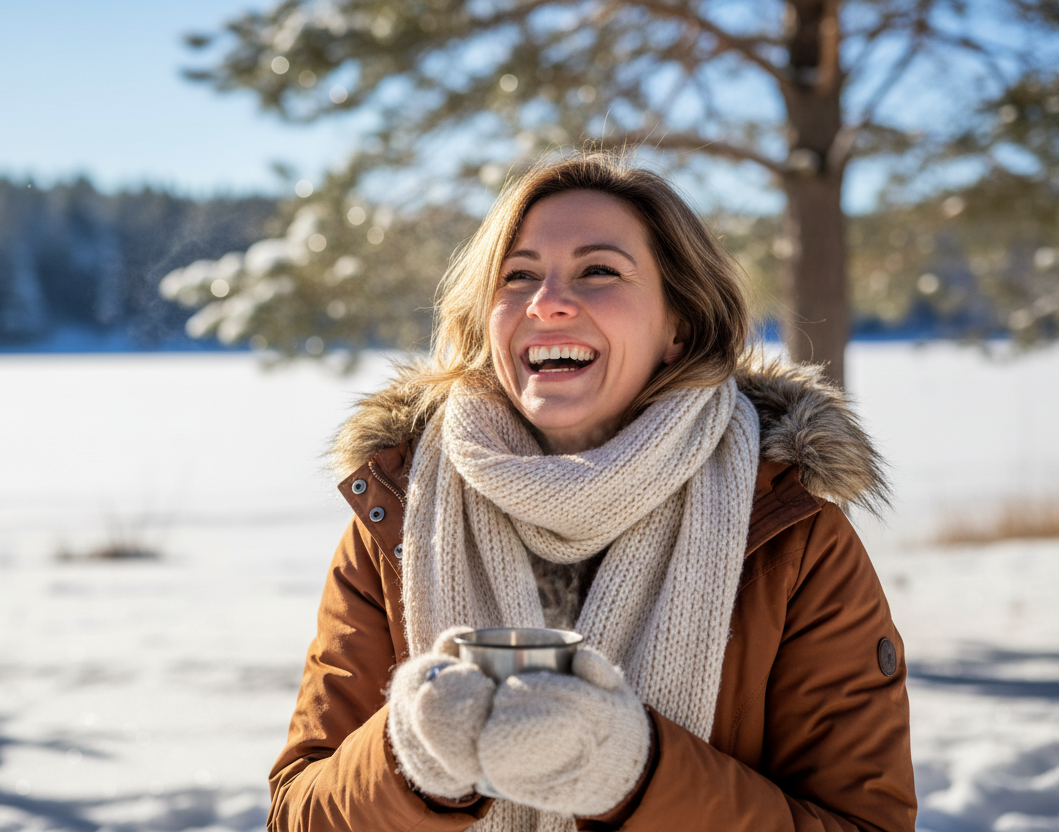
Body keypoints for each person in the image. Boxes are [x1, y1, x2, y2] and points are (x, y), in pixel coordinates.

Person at [268, 152, 916, 831]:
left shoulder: (787, 531)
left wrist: (635, 776)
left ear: (679, 326)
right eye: (517, 277)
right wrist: (411, 767)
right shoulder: (399, 515)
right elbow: (296, 817)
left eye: (598, 271)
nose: (546, 301)